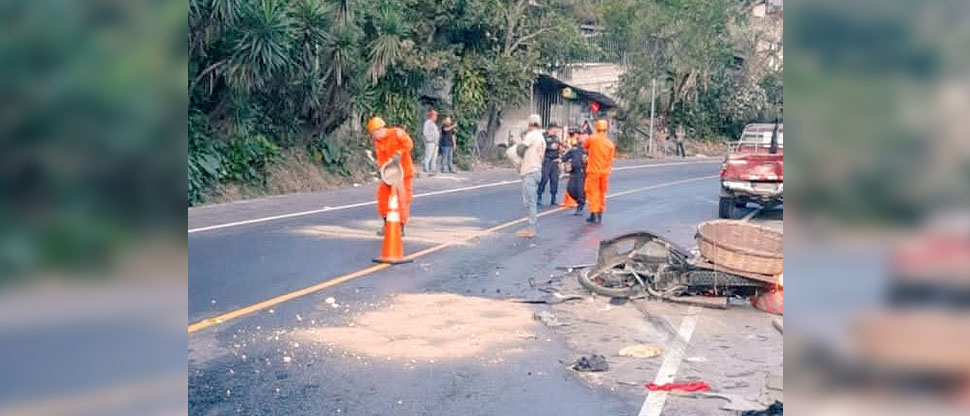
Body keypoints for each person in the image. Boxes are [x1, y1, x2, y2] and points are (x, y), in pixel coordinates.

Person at [368, 117, 415, 235]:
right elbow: (381, 159)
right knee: (383, 197)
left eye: (377, 132)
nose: (376, 135)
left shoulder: (397, 133)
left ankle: (401, 227)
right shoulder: (378, 142)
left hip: (404, 173)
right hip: (389, 174)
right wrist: (384, 171)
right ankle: (386, 224)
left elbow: (409, 144)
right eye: (374, 134)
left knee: (403, 200)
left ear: (382, 129)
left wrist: (399, 153)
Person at [505, 114, 546, 238]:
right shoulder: (541, 138)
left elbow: (521, 149)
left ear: (530, 124)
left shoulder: (532, 135)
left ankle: (531, 229)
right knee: (531, 201)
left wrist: (516, 155)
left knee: (530, 202)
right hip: (537, 169)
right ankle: (530, 227)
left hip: (530, 170)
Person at [583, 119, 615, 224]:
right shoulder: (610, 144)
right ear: (606, 129)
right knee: (602, 192)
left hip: (593, 171)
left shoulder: (593, 139)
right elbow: (611, 159)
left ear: (597, 128)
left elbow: (584, 145)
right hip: (605, 172)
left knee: (593, 192)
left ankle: (594, 214)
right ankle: (600, 213)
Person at [561, 128, 587, 215]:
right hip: (573, 172)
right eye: (579, 135)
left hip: (582, 172)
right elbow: (566, 156)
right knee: (570, 189)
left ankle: (580, 205)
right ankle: (580, 201)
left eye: (582, 135)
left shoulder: (587, 149)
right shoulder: (575, 148)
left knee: (580, 190)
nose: (580, 136)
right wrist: (562, 158)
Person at [537, 122, 563, 206]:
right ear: (551, 128)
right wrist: (550, 147)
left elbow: (559, 146)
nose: (556, 130)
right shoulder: (544, 137)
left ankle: (553, 198)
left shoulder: (556, 138)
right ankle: (539, 196)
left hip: (555, 160)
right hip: (547, 160)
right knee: (544, 178)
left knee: (554, 179)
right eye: (555, 128)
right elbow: (540, 147)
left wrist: (560, 149)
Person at [422, 110, 440, 174]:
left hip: (435, 142)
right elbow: (425, 132)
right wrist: (428, 139)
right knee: (428, 156)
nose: (436, 117)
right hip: (430, 142)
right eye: (435, 115)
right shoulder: (428, 123)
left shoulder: (434, 124)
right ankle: (426, 168)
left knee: (434, 156)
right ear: (432, 116)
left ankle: (433, 169)